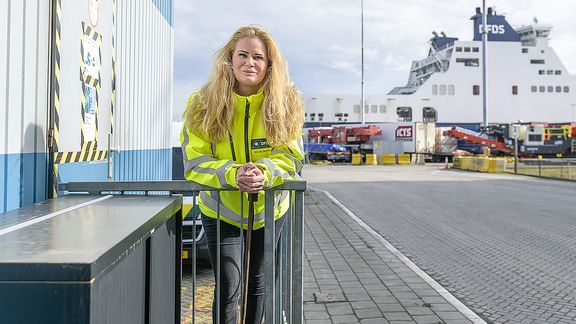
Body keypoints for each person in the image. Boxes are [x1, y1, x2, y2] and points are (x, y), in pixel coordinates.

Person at [180, 25, 304, 323]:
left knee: (258, 285)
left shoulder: (286, 102)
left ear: (269, 64)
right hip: (220, 209)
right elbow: (195, 162)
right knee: (228, 286)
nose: (250, 62)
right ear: (230, 59)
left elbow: (291, 157)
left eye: (258, 57)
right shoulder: (201, 103)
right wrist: (233, 174)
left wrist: (264, 172)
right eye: (243, 55)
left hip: (269, 211)